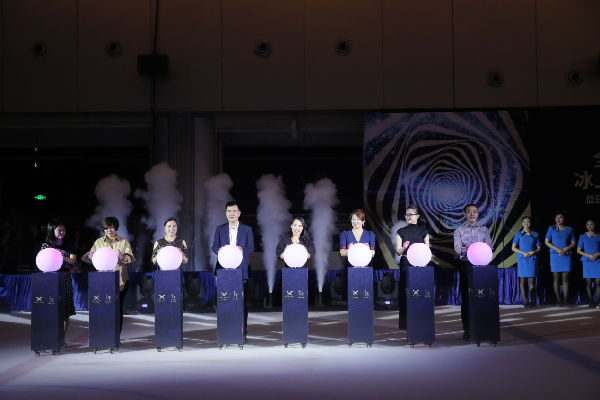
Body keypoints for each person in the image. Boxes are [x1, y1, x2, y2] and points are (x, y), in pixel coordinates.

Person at [82, 217, 135, 337]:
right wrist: (90, 256)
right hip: (103, 281)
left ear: (116, 228)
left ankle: (116, 336)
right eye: (106, 228)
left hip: (120, 279)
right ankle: (105, 335)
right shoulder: (98, 242)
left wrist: (123, 257)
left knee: (117, 307)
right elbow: (88, 258)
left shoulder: (123, 242)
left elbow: (130, 258)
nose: (109, 230)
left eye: (111, 227)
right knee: (104, 307)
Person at [212, 201, 254, 340]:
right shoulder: (220, 229)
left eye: (234, 211)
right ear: (226, 213)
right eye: (229, 211)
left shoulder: (247, 229)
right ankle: (226, 333)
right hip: (224, 270)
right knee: (225, 301)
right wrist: (219, 250)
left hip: (241, 270)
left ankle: (242, 333)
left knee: (241, 302)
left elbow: (251, 248)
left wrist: (242, 250)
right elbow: (214, 246)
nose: (232, 213)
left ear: (239, 213)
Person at [453, 204, 493, 340]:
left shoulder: (484, 230)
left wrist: (484, 249)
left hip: (481, 266)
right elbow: (458, 248)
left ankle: (482, 327)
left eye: (474, 211)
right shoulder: (459, 230)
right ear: (464, 214)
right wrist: (471, 248)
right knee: (467, 297)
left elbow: (489, 246)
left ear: (478, 214)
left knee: (482, 296)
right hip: (466, 265)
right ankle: (467, 329)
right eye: (469, 212)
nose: (472, 214)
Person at [39, 219, 76, 344]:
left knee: (65, 311)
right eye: (59, 230)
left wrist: (63, 257)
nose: (62, 232)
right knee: (51, 309)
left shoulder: (69, 244)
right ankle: (50, 337)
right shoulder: (46, 246)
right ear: (52, 231)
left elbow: (73, 261)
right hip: (50, 280)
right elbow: (41, 261)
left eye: (63, 229)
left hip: (64, 278)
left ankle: (61, 339)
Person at [396, 205, 430, 329]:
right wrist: (404, 247)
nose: (408, 217)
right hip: (406, 263)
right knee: (406, 292)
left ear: (417, 216)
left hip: (420, 263)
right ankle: (405, 322)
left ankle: (420, 319)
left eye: (411, 214)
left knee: (419, 292)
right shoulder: (401, 231)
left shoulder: (424, 232)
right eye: (407, 215)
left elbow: (427, 251)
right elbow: (398, 252)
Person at [339, 209, 376, 301]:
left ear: (363, 221)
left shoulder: (370, 234)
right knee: (352, 293)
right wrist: (351, 250)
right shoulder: (345, 234)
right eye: (353, 219)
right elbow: (342, 252)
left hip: (365, 266)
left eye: (358, 219)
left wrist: (366, 250)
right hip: (350, 266)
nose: (355, 222)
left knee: (365, 292)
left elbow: (373, 253)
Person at [544, 212, 575, 307]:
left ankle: (565, 301)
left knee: (565, 278)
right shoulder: (551, 228)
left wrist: (565, 249)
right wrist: (557, 249)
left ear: (564, 219)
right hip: (555, 255)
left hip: (566, 254)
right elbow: (547, 242)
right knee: (556, 278)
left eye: (560, 217)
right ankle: (558, 300)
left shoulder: (569, 229)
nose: (558, 219)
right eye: (556, 217)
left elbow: (573, 242)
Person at [511, 216, 541, 307]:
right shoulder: (518, 234)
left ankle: (531, 301)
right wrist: (523, 253)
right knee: (522, 280)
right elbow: (513, 248)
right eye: (524, 222)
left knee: (532, 281)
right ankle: (525, 301)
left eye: (528, 222)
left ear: (531, 223)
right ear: (522, 223)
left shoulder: (536, 234)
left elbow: (539, 248)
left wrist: (533, 252)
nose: (526, 224)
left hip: (532, 259)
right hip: (522, 258)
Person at [576, 219, 600, 308]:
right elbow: (578, 250)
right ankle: (591, 301)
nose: (589, 226)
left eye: (591, 224)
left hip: (598, 261)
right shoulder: (582, 236)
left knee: (598, 282)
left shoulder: (599, 236)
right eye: (587, 224)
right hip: (587, 261)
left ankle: (597, 302)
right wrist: (589, 255)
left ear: (595, 225)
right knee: (588, 282)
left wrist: (598, 254)